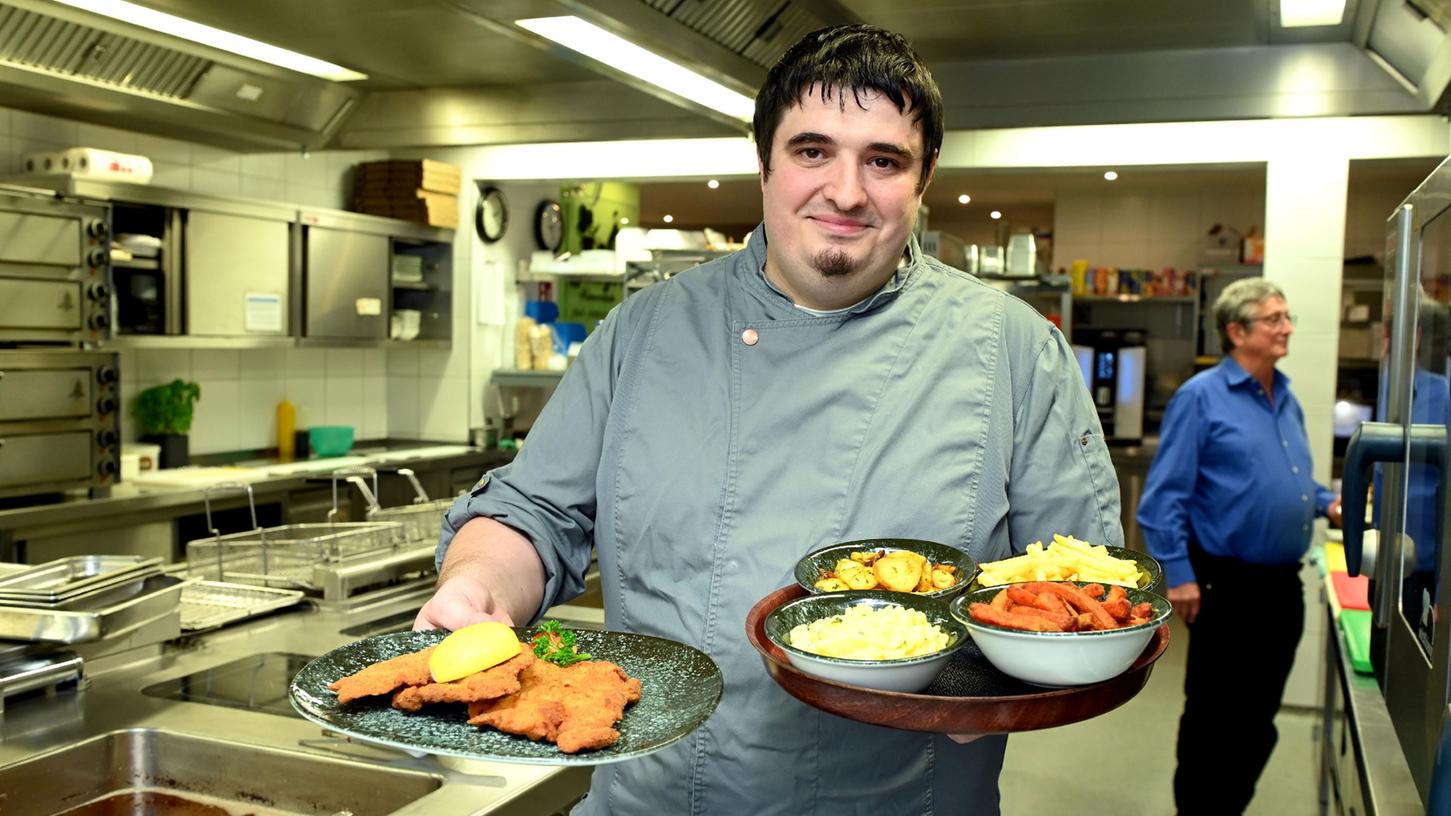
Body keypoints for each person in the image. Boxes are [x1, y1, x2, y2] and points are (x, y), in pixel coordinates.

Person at [417, 24, 1123, 815]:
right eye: (812, 151)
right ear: (764, 163)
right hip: (651, 797)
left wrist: (1000, 683)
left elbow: (1083, 588)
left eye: (883, 161)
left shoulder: (1013, 349)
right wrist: (476, 584)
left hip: (902, 800)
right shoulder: (646, 331)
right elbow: (532, 510)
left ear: (921, 179)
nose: (847, 192)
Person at [1137, 278, 1342, 816]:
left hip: (1282, 587)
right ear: (1236, 330)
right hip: (1224, 585)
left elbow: (1295, 478)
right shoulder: (1201, 398)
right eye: (1274, 318)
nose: (1288, 327)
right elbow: (1162, 501)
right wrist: (1178, 575)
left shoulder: (1286, 395)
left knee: (1258, 719)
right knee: (1215, 718)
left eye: (1287, 316)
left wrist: (1327, 502)